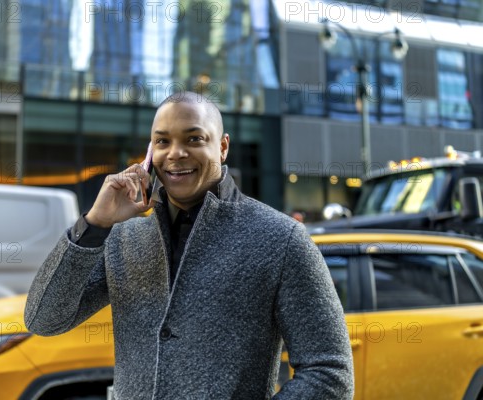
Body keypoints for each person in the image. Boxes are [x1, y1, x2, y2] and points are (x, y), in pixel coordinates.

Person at [24, 91, 354, 399]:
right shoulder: (123, 234)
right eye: (162, 141)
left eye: (194, 139)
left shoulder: (281, 239)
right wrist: (95, 223)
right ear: (150, 153)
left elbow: (329, 373)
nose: (176, 153)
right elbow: (44, 319)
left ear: (223, 147)